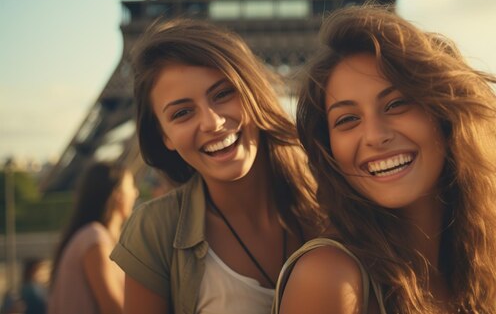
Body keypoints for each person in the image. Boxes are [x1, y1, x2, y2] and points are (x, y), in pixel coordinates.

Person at [274, 5, 496, 314]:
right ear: (329, 149)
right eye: (347, 119)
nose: (374, 135)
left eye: (396, 104)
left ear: (444, 115)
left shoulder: (470, 267)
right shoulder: (331, 277)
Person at [110, 18, 322, 314]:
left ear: (253, 92)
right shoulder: (155, 231)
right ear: (165, 137)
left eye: (223, 94)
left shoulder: (331, 203)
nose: (213, 122)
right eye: (182, 113)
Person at [48, 162, 138, 314]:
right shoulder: (94, 238)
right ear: (118, 195)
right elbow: (114, 309)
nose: (136, 193)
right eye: (131, 186)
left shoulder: (92, 237)